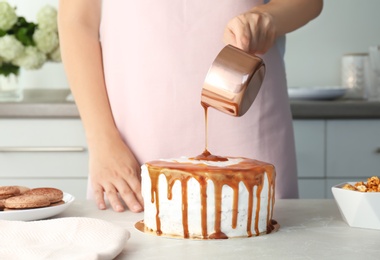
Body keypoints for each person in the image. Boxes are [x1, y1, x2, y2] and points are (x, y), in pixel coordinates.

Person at [58, 0, 323, 213]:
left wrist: (268, 17)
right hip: (135, 132)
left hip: (247, 116)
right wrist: (102, 141)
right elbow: (77, 21)